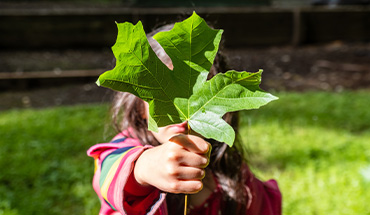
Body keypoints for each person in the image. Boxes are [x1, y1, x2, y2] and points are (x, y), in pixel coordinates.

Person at [87, 24, 282, 215]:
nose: (180, 110)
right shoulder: (124, 149)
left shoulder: (230, 169)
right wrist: (144, 168)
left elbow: (264, 205)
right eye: (165, 96)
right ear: (139, 106)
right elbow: (109, 173)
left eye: (196, 95)